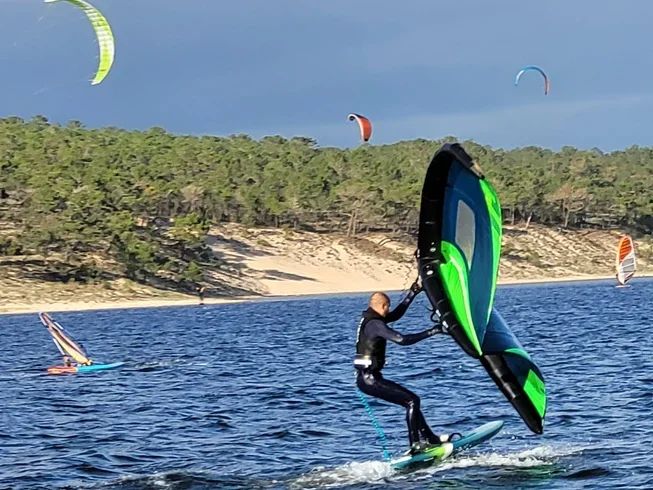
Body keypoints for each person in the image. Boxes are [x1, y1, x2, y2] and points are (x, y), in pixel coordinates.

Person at [354, 280, 455, 454]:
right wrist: (430, 332)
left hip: (367, 378)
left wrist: (412, 294)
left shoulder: (370, 319)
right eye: (387, 308)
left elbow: (395, 316)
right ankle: (415, 445)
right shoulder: (375, 324)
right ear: (383, 306)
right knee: (413, 401)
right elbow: (402, 340)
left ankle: (430, 439)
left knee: (410, 402)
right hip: (369, 379)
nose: (388, 312)